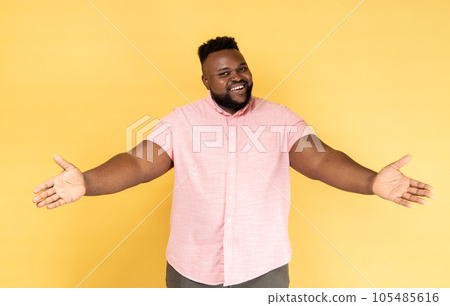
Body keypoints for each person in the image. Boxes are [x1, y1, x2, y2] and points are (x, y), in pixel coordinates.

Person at [32, 36, 434, 288]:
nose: (236, 78)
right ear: (206, 81)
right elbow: (138, 164)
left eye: (241, 68)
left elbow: (320, 159)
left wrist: (370, 182)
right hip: (190, 271)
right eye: (224, 73)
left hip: (264, 271)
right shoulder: (183, 121)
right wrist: (86, 181)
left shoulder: (280, 118)